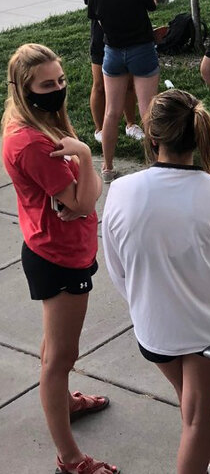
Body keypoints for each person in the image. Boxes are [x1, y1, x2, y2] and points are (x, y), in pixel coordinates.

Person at [102, 89, 210, 474]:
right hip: (209, 330)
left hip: (154, 329)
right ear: (198, 135)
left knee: (192, 405)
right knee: (196, 417)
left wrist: (145, 307)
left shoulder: (120, 191)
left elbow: (117, 269)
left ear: (153, 138)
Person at [2, 44, 115, 474]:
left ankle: (65, 402)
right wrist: (86, 157)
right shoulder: (31, 141)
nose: (58, 90)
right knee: (59, 358)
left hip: (60, 248)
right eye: (47, 85)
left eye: (61, 80)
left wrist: (83, 194)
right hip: (58, 258)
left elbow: (82, 200)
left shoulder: (38, 123)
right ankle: (70, 460)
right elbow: (85, 201)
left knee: (56, 349)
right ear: (23, 89)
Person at [88, 0, 159, 183]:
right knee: (147, 110)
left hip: (113, 54)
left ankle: (107, 168)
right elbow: (153, 4)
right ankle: (155, 163)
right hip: (142, 51)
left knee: (111, 112)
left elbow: (94, 14)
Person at [81, 0, 144, 144]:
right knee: (99, 85)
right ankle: (99, 129)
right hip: (100, 40)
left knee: (128, 84)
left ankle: (130, 124)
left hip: (125, 38)